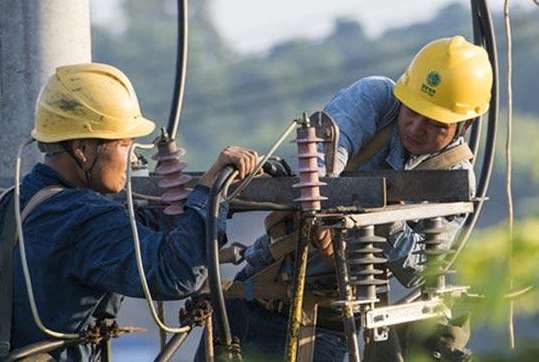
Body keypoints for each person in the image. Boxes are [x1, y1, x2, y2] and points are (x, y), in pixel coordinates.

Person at [196, 35, 493, 361]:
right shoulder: (379, 99)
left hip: (334, 322)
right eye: (413, 111)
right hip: (260, 293)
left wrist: (384, 220)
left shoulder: (454, 179)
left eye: (435, 124)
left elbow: (419, 270)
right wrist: (325, 203)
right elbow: (323, 156)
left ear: (465, 126)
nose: (415, 127)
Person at [0, 63, 259, 361]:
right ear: (82, 148)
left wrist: (196, 206)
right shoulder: (83, 218)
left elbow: (131, 229)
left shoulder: (17, 202)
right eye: (124, 144)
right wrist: (211, 192)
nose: (133, 157)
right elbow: (175, 274)